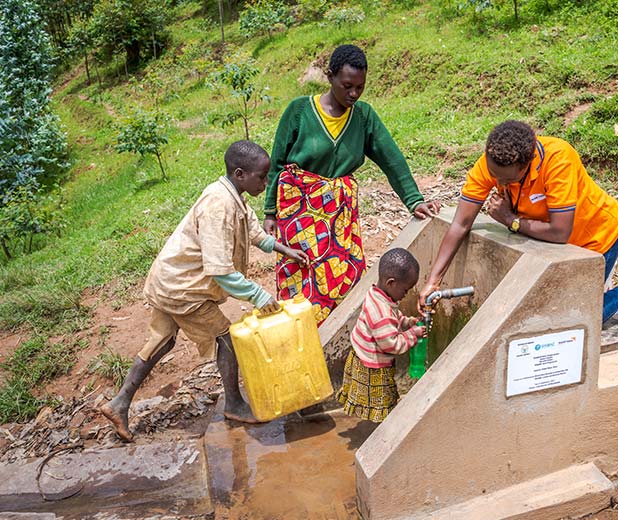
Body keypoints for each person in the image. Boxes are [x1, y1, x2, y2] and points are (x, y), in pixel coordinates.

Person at [101, 140, 310, 442]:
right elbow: (220, 270)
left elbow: (253, 231)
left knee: (162, 341)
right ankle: (235, 404)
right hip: (184, 289)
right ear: (240, 174)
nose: (266, 183)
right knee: (227, 339)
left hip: (171, 281)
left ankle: (119, 403)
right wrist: (259, 296)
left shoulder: (233, 196)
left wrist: (283, 249)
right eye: (261, 177)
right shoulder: (218, 206)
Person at [263, 44, 440, 325]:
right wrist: (270, 211)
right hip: (299, 213)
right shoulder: (299, 112)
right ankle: (303, 336)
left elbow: (390, 158)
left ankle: (338, 331)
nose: (354, 94)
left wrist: (414, 199)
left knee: (345, 272)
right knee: (301, 277)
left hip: (339, 216)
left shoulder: (363, 116)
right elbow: (277, 163)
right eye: (347, 86)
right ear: (330, 76)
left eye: (360, 87)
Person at [418, 120, 618, 323]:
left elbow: (560, 232)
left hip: (597, 237)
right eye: (494, 177)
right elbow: (461, 224)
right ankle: (595, 291)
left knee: (576, 319)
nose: (499, 185)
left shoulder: (558, 160)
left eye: (506, 180)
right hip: (551, 247)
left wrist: (510, 220)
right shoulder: (493, 163)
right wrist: (433, 282)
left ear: (527, 164)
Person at [336, 248, 427, 423]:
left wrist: (407, 322)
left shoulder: (377, 295)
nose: (406, 294)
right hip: (373, 366)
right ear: (391, 283)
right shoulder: (381, 312)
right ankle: (382, 435)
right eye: (406, 290)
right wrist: (412, 335)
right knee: (381, 405)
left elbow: (394, 318)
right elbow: (391, 344)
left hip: (362, 356)